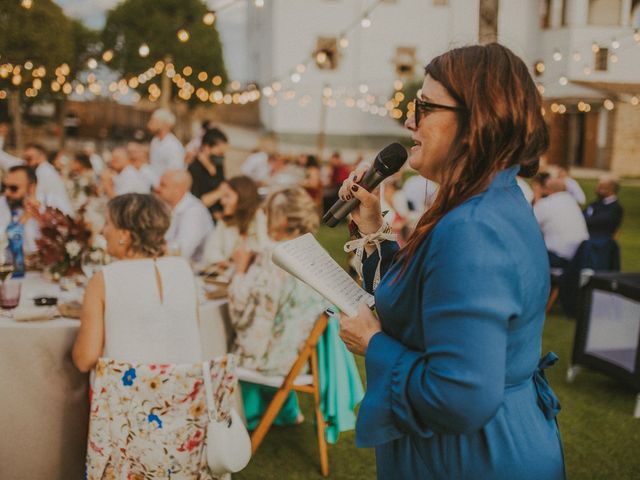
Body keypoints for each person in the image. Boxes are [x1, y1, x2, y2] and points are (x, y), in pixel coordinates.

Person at [337, 44, 564, 479]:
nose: (408, 120)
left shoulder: (472, 228)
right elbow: (425, 295)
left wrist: (373, 344)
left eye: (422, 107)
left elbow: (460, 396)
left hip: (472, 459)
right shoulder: (490, 198)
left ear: (476, 121)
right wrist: (373, 227)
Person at [72, 194, 208, 478]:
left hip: (125, 426)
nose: (102, 231)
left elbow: (84, 360)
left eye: (107, 223)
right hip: (184, 417)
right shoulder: (184, 271)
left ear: (125, 235)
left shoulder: (105, 279)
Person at [228, 186, 328, 427]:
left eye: (268, 212)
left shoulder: (273, 256)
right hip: (301, 357)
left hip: (270, 360)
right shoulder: (315, 254)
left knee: (222, 339)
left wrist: (240, 270)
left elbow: (240, 313)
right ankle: (284, 409)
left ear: (281, 219)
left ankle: (248, 414)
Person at [201, 176, 268, 265]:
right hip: (230, 274)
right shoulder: (225, 222)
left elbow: (265, 250)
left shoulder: (260, 218)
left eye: (227, 196)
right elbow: (210, 251)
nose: (222, 201)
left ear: (242, 197)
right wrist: (225, 263)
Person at [156, 169, 213, 262]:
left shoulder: (194, 212)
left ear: (178, 190)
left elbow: (181, 251)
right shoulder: (169, 207)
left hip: (194, 272)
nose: (157, 188)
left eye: (163, 185)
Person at [533, 174, 589, 267]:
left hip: (558, 256)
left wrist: (537, 195)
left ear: (546, 189)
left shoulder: (545, 204)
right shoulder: (572, 201)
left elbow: (529, 225)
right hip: (580, 255)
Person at [23, 143, 73, 215]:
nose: (26, 162)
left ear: (41, 156)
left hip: (58, 216)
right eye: (25, 158)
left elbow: (38, 199)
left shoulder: (43, 172)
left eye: (29, 158)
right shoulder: (45, 169)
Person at [189, 127, 228, 212]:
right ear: (206, 147)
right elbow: (198, 202)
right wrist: (219, 193)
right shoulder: (194, 169)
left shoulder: (218, 166)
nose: (221, 156)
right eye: (219, 153)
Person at [147, 108, 185, 179]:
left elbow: (174, 173)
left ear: (165, 124)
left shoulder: (174, 146)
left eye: (154, 121)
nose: (149, 124)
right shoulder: (155, 140)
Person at [584, 174, 623, 239]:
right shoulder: (595, 203)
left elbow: (598, 222)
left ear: (611, 188)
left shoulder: (615, 208)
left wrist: (582, 220)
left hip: (601, 245)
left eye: (600, 187)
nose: (596, 189)